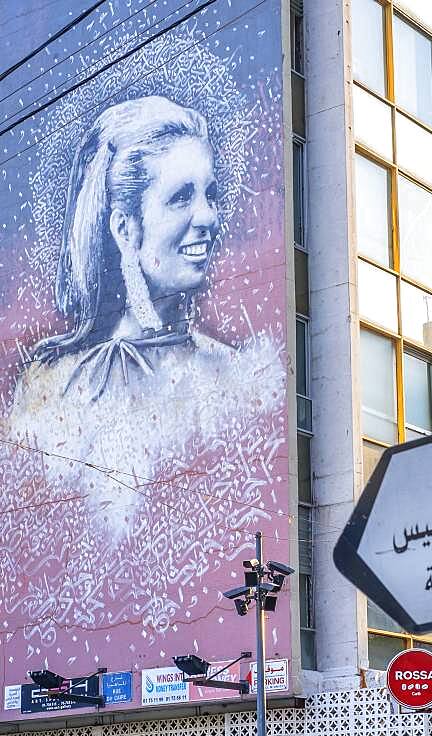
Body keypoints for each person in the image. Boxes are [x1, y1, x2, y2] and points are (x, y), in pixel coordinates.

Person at [9, 95, 283, 533]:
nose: (208, 217)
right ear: (124, 228)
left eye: (209, 194)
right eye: (180, 198)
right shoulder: (47, 387)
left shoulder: (240, 380)